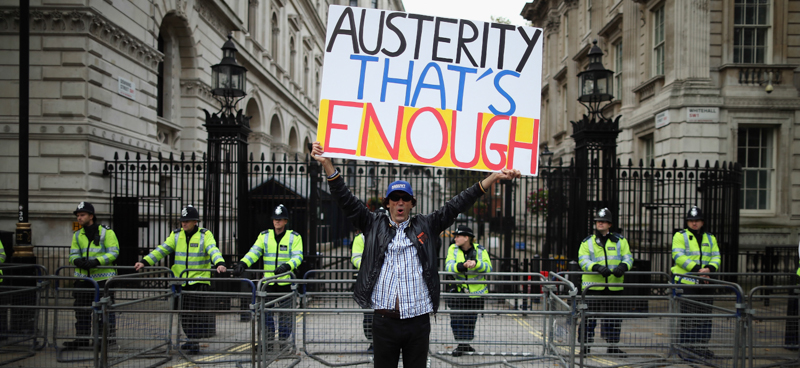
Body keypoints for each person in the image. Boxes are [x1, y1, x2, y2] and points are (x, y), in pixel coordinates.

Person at [311, 141, 520, 368]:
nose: (400, 202)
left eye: (405, 199)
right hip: (383, 321)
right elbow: (345, 200)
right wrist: (327, 164)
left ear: (412, 203)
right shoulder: (372, 223)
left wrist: (492, 178)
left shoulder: (427, 225)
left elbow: (458, 203)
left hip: (418, 323)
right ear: (388, 203)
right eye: (395, 198)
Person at [134, 205, 227, 354]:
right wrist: (145, 261)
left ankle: (193, 341)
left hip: (199, 280)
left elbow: (212, 249)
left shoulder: (205, 235)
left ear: (195, 221)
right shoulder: (176, 235)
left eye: (188, 221)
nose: (184, 224)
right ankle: (191, 340)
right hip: (181, 281)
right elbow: (162, 249)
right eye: (183, 221)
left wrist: (220, 263)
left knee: (195, 313)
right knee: (184, 314)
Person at [233, 204, 303, 350]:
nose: (277, 221)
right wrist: (243, 263)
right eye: (275, 219)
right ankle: (268, 342)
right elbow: (254, 252)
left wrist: (287, 266)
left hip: (285, 283)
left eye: (280, 219)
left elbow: (298, 257)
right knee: (265, 314)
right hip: (268, 284)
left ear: (286, 221)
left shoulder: (294, 237)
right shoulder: (264, 236)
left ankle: (284, 343)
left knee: (286, 316)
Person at [577, 208, 632, 356]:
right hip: (592, 287)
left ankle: (613, 346)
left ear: (610, 224)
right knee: (588, 318)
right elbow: (583, 260)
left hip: (614, 286)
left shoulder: (620, 241)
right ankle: (585, 347)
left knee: (614, 319)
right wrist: (596, 267)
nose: (600, 223)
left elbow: (628, 257)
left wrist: (623, 266)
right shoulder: (587, 242)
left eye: (604, 221)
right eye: (598, 221)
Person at [66, 202, 119, 348]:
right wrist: (77, 261)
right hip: (83, 279)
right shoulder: (78, 234)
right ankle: (82, 339)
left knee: (104, 310)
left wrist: (97, 261)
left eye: (82, 215)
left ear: (91, 216)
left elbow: (114, 253)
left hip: (103, 279)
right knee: (81, 310)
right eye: (78, 216)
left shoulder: (106, 232)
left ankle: (106, 339)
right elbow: (72, 254)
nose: (79, 218)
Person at [671, 205, 720, 359]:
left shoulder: (710, 237)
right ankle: (687, 348)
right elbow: (678, 256)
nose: (694, 223)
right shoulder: (680, 236)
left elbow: (716, 256)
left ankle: (701, 347)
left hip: (705, 282)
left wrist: (709, 269)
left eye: (697, 220)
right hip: (687, 283)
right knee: (688, 317)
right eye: (691, 220)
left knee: (705, 316)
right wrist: (700, 270)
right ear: (687, 222)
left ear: (702, 222)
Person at [445, 225, 492, 357]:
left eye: (458, 236)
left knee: (470, 319)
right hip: (458, 292)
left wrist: (476, 264)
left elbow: (489, 268)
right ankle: (461, 344)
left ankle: (465, 343)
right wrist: (463, 266)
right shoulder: (452, 249)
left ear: (467, 238)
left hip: (475, 294)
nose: (455, 238)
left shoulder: (480, 250)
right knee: (457, 319)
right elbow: (448, 266)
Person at [350, 207, 387, 353]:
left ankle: (386, 344)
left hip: (387, 283)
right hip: (369, 283)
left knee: (387, 316)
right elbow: (355, 257)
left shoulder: (395, 235)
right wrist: (370, 266)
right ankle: (372, 342)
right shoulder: (361, 238)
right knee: (369, 316)